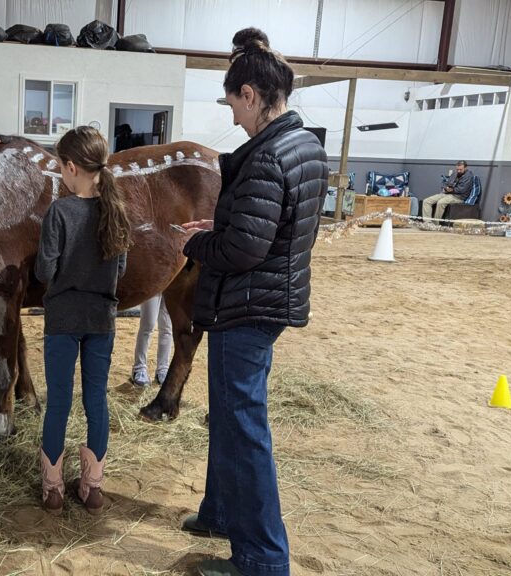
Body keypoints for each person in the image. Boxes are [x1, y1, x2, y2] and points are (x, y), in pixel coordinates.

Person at [178, 28, 327, 576]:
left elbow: (243, 249)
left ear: (251, 95)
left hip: (249, 304)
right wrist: (220, 221)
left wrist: (194, 242)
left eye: (233, 103)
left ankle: (262, 560)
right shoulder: (303, 144)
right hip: (267, 297)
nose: (233, 116)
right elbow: (274, 226)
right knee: (230, 415)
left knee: (243, 427)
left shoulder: (266, 156)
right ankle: (220, 511)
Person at [34, 126, 131, 515]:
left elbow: (44, 270)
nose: (60, 172)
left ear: (71, 167)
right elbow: (120, 268)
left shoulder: (59, 212)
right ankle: (92, 488)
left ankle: (53, 489)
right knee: (96, 400)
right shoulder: (117, 210)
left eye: (60, 166)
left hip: (62, 318)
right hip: (101, 319)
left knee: (58, 400)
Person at [130, 295, 172, 387]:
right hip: (154, 284)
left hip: (170, 284)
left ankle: (163, 368)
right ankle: (139, 368)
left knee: (167, 328)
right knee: (148, 324)